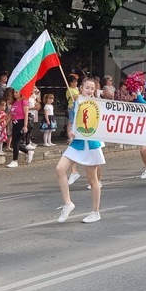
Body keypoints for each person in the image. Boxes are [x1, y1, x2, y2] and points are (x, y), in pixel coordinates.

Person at [55, 77, 105, 223]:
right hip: (77, 143)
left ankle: (95, 212)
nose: (89, 90)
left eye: (92, 88)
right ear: (81, 88)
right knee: (60, 169)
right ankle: (68, 204)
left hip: (91, 144)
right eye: (87, 87)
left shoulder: (98, 104)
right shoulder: (76, 102)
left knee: (93, 179)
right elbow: (75, 122)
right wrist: (72, 131)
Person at [7, 90, 31, 167]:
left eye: (16, 92)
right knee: (15, 143)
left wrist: (25, 126)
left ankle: (15, 160)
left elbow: (26, 114)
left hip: (21, 123)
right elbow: (11, 114)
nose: (15, 94)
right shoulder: (14, 102)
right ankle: (28, 152)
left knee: (16, 142)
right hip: (14, 123)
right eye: (14, 92)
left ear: (21, 93)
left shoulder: (24, 101)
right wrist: (5, 123)